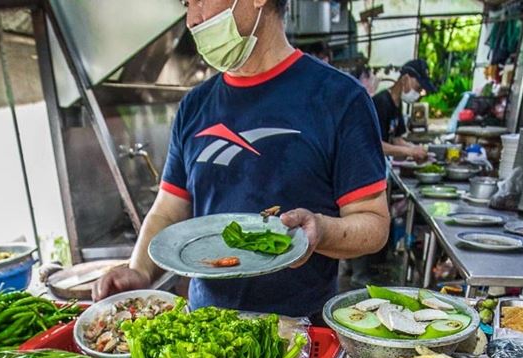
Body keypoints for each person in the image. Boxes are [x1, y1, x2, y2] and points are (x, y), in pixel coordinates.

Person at [94, 0, 389, 321]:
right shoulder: (195, 106)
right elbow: (168, 210)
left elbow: (373, 223)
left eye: (199, 1)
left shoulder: (339, 98)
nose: (192, 19)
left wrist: (322, 231)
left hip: (299, 331)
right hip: (205, 330)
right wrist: (138, 271)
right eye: (186, 5)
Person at [371, 58, 436, 163]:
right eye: (418, 88)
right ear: (405, 79)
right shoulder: (381, 103)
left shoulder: (397, 104)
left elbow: (396, 139)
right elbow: (377, 145)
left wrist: (415, 149)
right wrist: (410, 151)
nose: (418, 94)